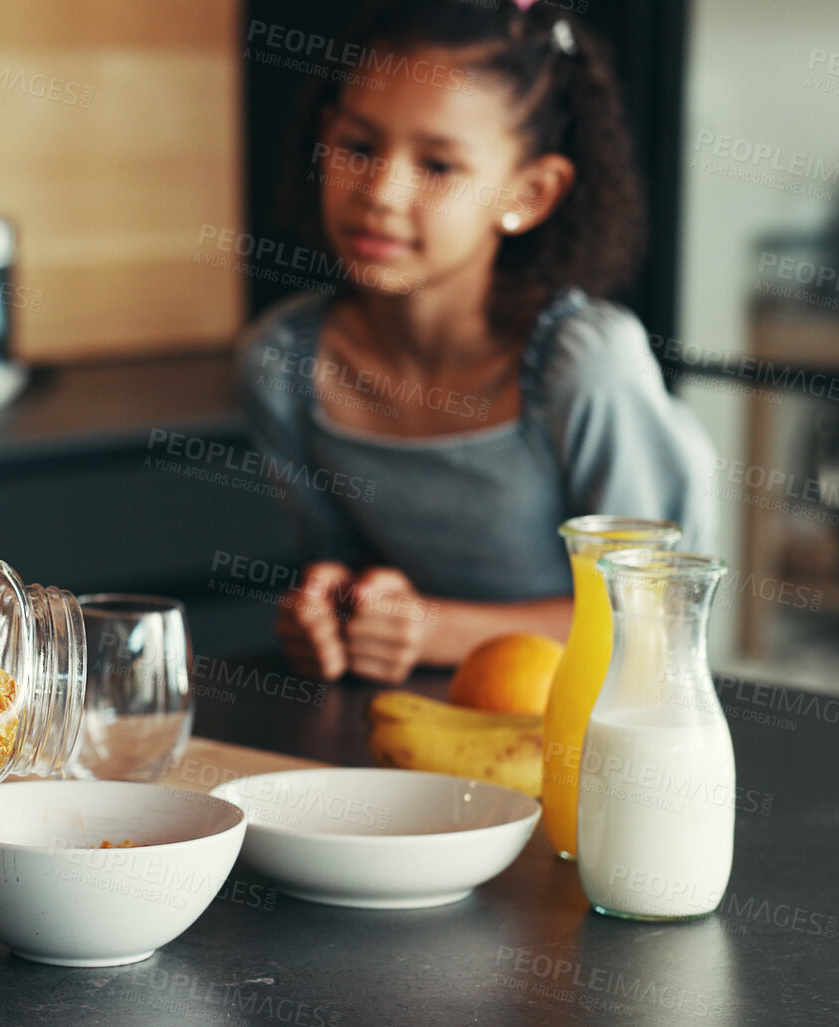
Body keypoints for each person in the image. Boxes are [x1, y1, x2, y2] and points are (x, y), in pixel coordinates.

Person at [237, 0, 716, 686]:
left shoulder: (581, 364)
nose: (381, 191)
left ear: (529, 192)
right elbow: (346, 565)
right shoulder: (280, 362)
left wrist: (433, 629)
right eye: (358, 147)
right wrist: (331, 614)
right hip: (399, 730)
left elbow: (654, 610)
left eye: (436, 165)